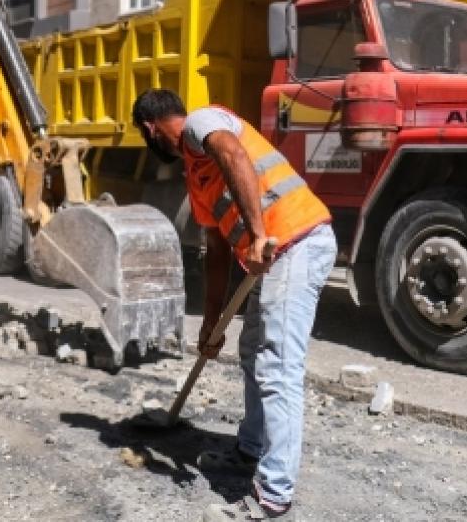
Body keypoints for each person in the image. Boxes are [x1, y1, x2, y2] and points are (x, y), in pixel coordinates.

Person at [131, 89, 337, 521]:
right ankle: (250, 449)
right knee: (251, 352)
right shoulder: (194, 171)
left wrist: (259, 234)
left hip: (293, 242)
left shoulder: (203, 123)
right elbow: (218, 249)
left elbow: (235, 155)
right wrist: (211, 325)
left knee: (278, 366)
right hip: (273, 256)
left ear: (150, 129)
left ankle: (273, 496)